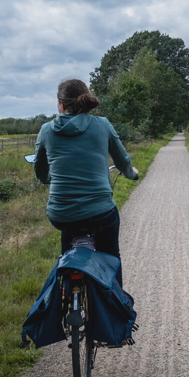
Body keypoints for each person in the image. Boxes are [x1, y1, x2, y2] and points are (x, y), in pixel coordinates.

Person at [33, 78, 138, 285]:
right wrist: (131, 174)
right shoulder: (102, 125)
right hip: (101, 214)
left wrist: (49, 179)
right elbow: (123, 161)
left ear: (61, 104)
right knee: (111, 257)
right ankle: (116, 308)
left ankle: (65, 284)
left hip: (61, 214)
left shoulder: (46, 130)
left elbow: (41, 171)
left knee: (68, 232)